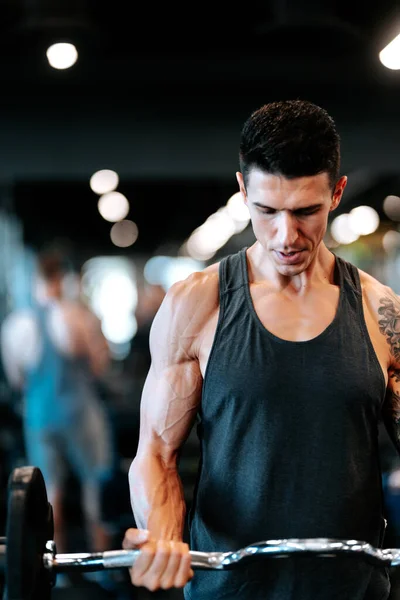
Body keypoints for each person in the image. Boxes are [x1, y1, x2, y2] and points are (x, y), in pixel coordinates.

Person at [122, 99, 400, 599]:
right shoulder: (197, 305)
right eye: (266, 211)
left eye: (305, 212)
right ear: (242, 189)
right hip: (230, 587)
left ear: (336, 193)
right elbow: (156, 454)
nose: (285, 235)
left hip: (351, 588)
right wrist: (162, 540)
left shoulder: (382, 315)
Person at [0, 248, 114, 555]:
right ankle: (99, 562)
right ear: (62, 279)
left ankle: (55, 569)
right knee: (96, 488)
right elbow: (99, 367)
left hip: (39, 416)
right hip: (80, 412)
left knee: (50, 493)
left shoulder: (16, 325)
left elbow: (17, 380)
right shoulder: (77, 317)